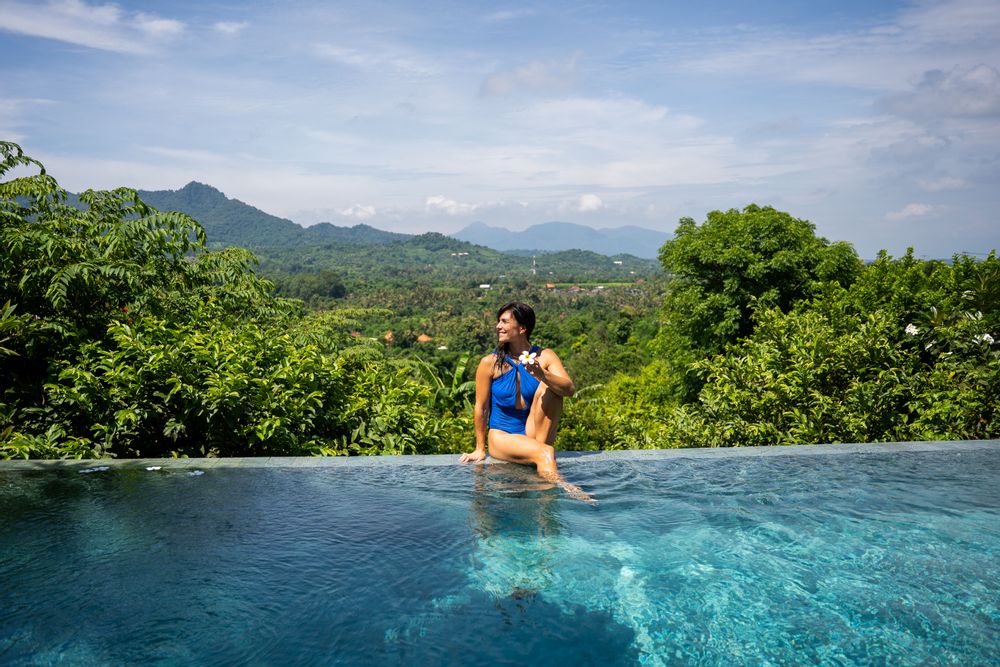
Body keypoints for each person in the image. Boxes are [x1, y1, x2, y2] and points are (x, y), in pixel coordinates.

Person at [459, 302, 591, 501]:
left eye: (504, 322)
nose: (498, 326)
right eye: (498, 321)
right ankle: (561, 491)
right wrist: (480, 448)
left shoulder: (544, 356)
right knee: (546, 452)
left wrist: (542, 374)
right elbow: (481, 407)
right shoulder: (489, 363)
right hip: (502, 436)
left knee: (552, 387)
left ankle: (538, 458)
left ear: (522, 328)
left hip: (533, 432)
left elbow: (569, 389)